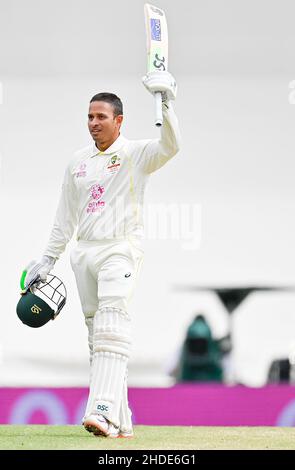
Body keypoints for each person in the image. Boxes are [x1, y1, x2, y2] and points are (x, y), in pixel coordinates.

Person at [24, 71, 181, 438]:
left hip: (120, 248)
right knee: (97, 336)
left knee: (112, 324)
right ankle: (122, 420)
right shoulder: (77, 162)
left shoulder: (135, 154)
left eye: (101, 117)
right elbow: (64, 217)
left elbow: (171, 147)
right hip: (85, 252)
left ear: (119, 120)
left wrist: (167, 101)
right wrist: (47, 259)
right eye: (90, 117)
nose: (93, 123)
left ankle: (102, 409)